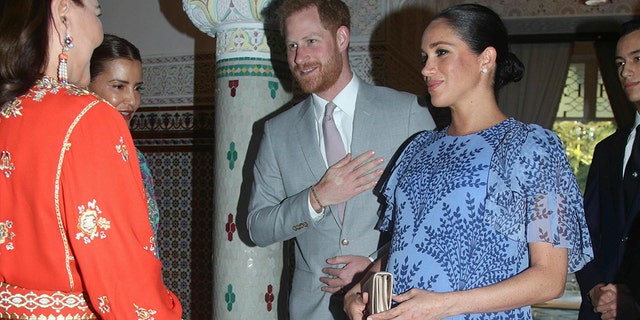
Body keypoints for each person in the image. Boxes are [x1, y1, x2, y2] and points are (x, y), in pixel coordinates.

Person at [343, 4, 593, 319]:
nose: (425, 69)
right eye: (424, 57)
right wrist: (361, 287)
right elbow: (406, 243)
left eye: (441, 53)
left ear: (486, 58)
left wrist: (444, 305)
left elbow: (549, 279)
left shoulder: (532, 150)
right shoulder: (418, 148)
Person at [246, 0, 435, 318]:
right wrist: (316, 198)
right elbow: (257, 227)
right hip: (311, 310)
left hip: (389, 304)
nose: (299, 57)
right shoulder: (276, 133)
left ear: (342, 38)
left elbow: (432, 216)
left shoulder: (408, 114)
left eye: (310, 41)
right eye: (292, 45)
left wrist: (378, 265)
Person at [0, 0, 182, 318]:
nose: (99, 29)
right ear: (63, 12)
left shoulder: (8, 112)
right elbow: (124, 282)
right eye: (97, 12)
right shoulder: (88, 117)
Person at [576, 19, 640, 320]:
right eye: (620, 62)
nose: (626, 71)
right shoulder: (607, 150)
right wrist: (594, 289)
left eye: (638, 59)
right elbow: (586, 231)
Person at [89, 34, 161, 243]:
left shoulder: (136, 159)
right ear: (87, 86)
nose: (132, 100)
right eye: (119, 86)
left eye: (137, 88)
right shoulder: (74, 154)